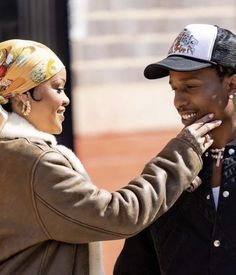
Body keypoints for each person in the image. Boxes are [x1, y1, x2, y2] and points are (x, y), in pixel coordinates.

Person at [0, 39, 220, 275]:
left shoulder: (10, 153)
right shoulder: (34, 162)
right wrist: (183, 154)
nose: (65, 99)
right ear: (23, 97)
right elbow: (119, 215)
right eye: (57, 87)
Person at [114, 23, 236, 275]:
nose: (179, 101)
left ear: (232, 85)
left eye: (190, 87)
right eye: (175, 88)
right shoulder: (170, 172)